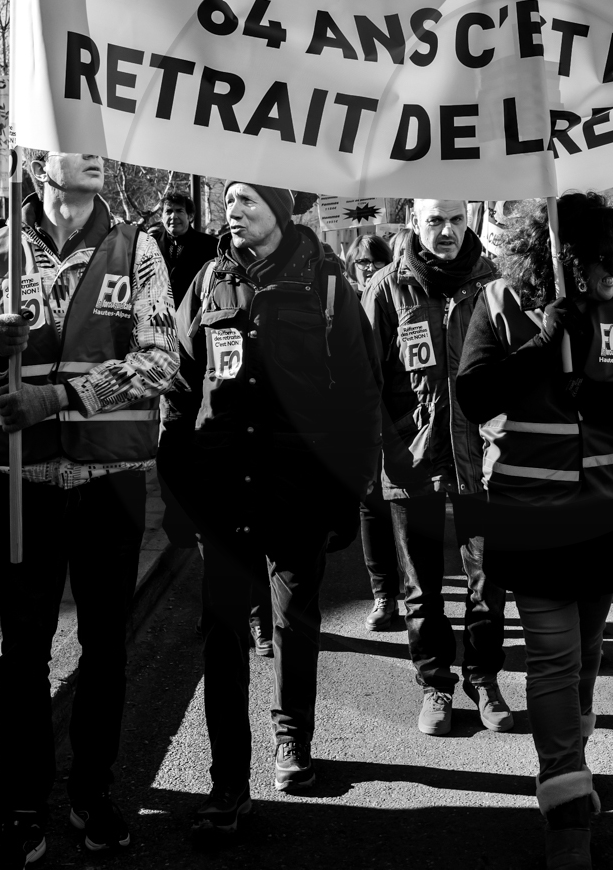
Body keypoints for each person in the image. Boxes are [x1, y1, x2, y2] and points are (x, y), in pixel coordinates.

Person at [0, 150, 179, 863]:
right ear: (42, 161)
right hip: (24, 486)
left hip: (109, 484)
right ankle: (23, 802)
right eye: (75, 142)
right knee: (23, 655)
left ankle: (92, 791)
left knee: (105, 650)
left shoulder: (138, 249)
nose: (94, 153)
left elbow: (163, 359)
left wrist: (62, 397)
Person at [456, 193, 613, 870]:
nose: (611, 267)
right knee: (555, 657)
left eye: (612, 254)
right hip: (531, 515)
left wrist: (598, 395)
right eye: (597, 256)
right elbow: (473, 398)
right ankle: (564, 803)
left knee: (587, 652)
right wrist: (543, 344)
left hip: (610, 514)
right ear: (558, 257)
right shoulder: (499, 302)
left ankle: (571, 763)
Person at [162, 182, 380, 833]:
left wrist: (347, 494)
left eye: (248, 200)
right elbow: (179, 387)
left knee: (294, 623)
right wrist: (175, 487)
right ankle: (228, 781)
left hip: (298, 492)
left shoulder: (329, 286)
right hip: (223, 493)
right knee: (223, 635)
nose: (233, 211)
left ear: (280, 213)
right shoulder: (207, 282)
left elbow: (359, 399)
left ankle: (292, 739)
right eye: (228, 199)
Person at [362, 200, 508, 729]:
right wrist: (386, 453)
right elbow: (366, 380)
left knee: (489, 584)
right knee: (420, 589)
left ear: (469, 220)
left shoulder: (495, 283)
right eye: (434, 220)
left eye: (456, 219)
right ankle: (435, 684)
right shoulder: (386, 288)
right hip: (412, 462)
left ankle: (483, 678)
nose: (447, 231)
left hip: (482, 461)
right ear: (414, 223)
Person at [343, 234, 400, 629]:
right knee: (372, 505)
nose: (368, 268)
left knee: (407, 508)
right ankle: (384, 594)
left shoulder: (395, 295)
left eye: (375, 261)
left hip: (400, 421)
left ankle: (415, 591)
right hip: (363, 422)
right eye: (361, 262)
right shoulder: (341, 299)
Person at [153, 191, 218, 307]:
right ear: (161, 217)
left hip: (194, 313)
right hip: (157, 313)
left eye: (179, 211)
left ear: (190, 216)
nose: (173, 216)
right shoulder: (149, 244)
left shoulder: (210, 245)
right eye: (168, 211)